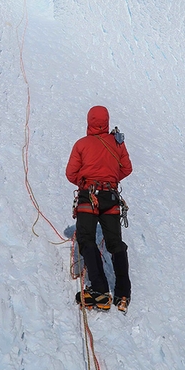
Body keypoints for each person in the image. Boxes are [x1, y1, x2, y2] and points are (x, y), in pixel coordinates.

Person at [66, 105, 132, 313]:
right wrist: (109, 181)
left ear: (89, 121)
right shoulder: (117, 142)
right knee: (115, 243)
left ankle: (99, 289)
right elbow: (127, 168)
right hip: (111, 197)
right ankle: (123, 293)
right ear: (107, 121)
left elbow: (71, 173)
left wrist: (87, 183)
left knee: (86, 239)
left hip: (89, 196)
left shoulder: (82, 144)